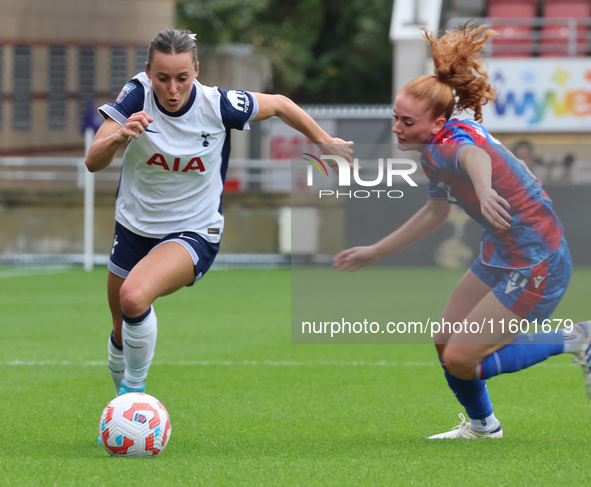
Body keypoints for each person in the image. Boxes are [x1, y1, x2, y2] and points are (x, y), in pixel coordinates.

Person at [333, 22, 591, 439]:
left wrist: (486, 190)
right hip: (501, 254)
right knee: (444, 341)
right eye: (395, 118)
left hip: (538, 263)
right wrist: (376, 251)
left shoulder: (451, 142)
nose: (397, 128)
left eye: (406, 121)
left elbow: (474, 156)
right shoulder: (434, 152)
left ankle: (578, 338)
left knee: (460, 359)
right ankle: (483, 427)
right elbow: (434, 215)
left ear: (436, 125)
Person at [86, 28, 353, 399]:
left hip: (192, 231)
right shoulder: (136, 96)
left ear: (196, 69)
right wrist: (119, 137)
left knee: (133, 298)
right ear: (149, 72)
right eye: (163, 78)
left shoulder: (218, 105)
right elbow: (92, 161)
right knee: (119, 326)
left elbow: (279, 103)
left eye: (182, 77)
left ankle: (133, 398)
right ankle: (123, 409)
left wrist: (324, 141)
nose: (173, 89)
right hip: (133, 227)